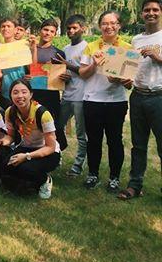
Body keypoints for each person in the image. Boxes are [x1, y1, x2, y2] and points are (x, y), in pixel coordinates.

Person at [79, 10, 132, 192]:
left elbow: (130, 83)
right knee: (93, 140)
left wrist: (123, 80)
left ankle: (114, 178)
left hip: (116, 102)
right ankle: (93, 174)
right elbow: (82, 74)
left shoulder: (127, 48)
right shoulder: (91, 46)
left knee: (114, 140)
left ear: (119, 25)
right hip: (92, 100)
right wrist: (94, 64)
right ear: (100, 26)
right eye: (105, 23)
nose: (109, 26)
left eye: (113, 23)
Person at [0, 79, 61, 199]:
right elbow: (10, 136)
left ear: (31, 94)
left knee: (25, 168)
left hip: (47, 152)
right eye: (15, 92)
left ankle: (45, 180)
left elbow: (50, 147)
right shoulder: (10, 112)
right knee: (4, 163)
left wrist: (26, 156)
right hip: (25, 146)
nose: (20, 96)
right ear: (10, 95)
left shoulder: (42, 113)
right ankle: (23, 181)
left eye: (24, 92)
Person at [119, 0, 162, 200]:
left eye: (155, 9)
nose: (150, 13)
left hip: (159, 97)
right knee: (138, 145)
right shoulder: (136, 40)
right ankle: (134, 186)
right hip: (137, 96)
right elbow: (131, 68)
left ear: (161, 12)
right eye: (147, 10)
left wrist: (158, 57)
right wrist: (127, 81)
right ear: (141, 13)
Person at [55, 15, 88, 176]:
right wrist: (64, 75)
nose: (71, 31)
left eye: (75, 28)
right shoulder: (66, 49)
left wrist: (68, 66)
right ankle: (56, 156)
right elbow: (66, 73)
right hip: (66, 95)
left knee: (81, 134)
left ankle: (77, 166)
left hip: (81, 97)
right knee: (56, 128)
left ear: (83, 28)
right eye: (68, 28)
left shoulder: (87, 47)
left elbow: (87, 73)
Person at [31, 18, 67, 151]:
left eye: (52, 31)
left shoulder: (58, 53)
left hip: (51, 96)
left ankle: (56, 150)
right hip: (33, 94)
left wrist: (65, 77)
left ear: (55, 34)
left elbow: (62, 76)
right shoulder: (30, 49)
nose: (48, 33)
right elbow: (26, 70)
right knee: (34, 124)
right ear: (40, 30)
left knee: (52, 124)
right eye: (45, 29)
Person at [0, 17, 27, 110]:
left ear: (15, 29)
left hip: (20, 93)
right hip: (5, 93)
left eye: (9, 26)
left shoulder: (23, 46)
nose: (6, 29)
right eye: (3, 26)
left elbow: (31, 68)